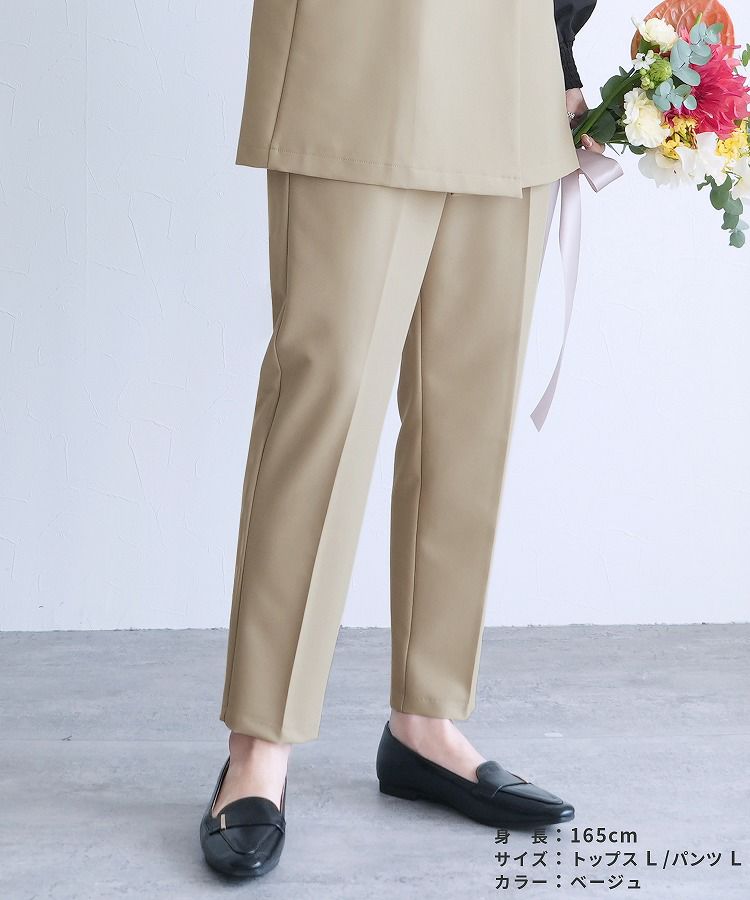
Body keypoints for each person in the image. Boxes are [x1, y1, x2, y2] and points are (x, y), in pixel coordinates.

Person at [200, 0, 603, 879]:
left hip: (512, 64)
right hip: (360, 44)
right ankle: (259, 745)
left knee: (471, 406)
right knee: (329, 397)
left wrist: (563, 49)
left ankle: (427, 721)